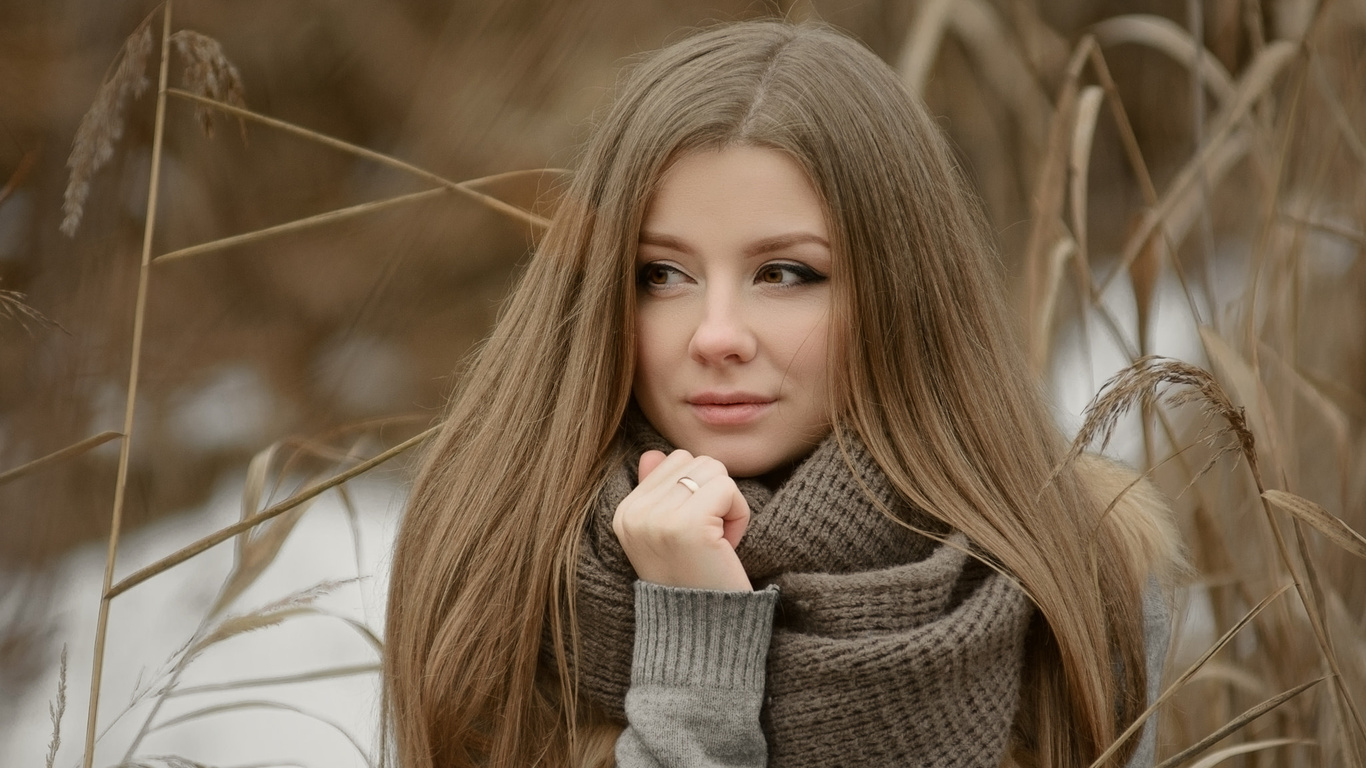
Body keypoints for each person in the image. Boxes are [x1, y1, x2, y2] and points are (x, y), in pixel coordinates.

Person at [383, 19, 1181, 768]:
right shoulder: (499, 559)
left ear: (901, 293)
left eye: (786, 273)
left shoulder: (1075, 567)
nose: (716, 334)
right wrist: (695, 638)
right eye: (662, 274)